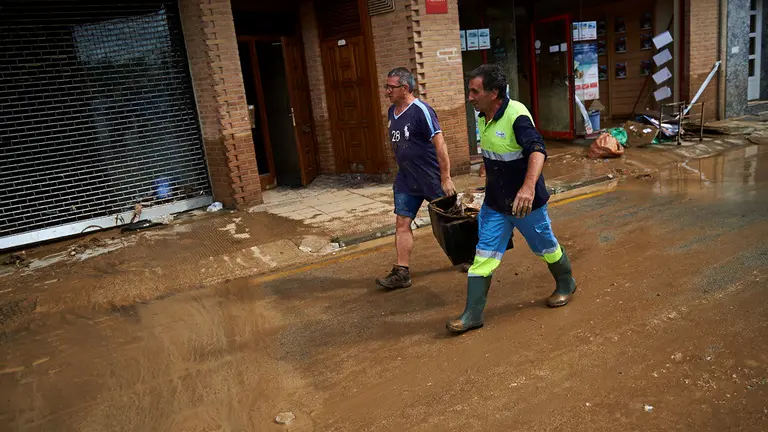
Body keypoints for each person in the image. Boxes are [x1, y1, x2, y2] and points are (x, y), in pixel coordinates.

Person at [446, 64, 577, 334]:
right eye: (469, 90)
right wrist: (487, 171)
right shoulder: (483, 115)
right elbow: (498, 153)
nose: (469, 96)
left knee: (546, 248)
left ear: (493, 92)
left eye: (475, 91)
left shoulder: (516, 115)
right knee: (484, 254)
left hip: (524, 204)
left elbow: (538, 150)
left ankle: (566, 284)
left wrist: (528, 188)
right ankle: (473, 315)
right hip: (496, 203)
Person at [375, 67, 456, 289]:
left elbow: (440, 143)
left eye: (390, 87)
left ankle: (470, 255)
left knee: (451, 220)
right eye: (387, 87)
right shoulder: (392, 112)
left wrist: (446, 177)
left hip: (431, 178)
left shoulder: (422, 110)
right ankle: (402, 272)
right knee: (402, 222)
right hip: (406, 179)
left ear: (405, 88)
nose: (387, 91)